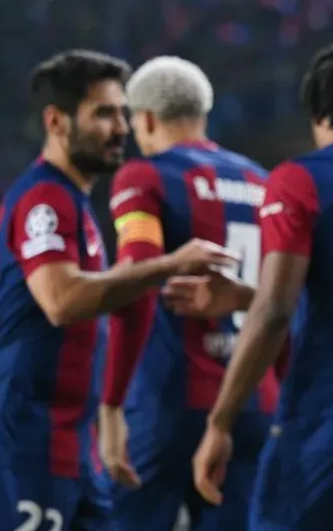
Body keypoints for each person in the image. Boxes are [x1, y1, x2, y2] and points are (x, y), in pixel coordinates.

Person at [0, 50, 233, 530]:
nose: (121, 127)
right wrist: (169, 265)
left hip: (68, 443)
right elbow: (62, 301)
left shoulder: (74, 204)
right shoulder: (45, 197)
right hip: (18, 441)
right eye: (104, 113)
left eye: (122, 112)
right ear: (57, 121)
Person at [175, 46, 333, 531]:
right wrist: (243, 297)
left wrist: (221, 422)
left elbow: (276, 310)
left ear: (315, 111)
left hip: (329, 420)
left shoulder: (300, 180)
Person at [97, 56, 279, 530]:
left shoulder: (143, 176)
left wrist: (112, 403)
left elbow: (134, 286)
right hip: (252, 399)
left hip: (170, 399)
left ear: (147, 119)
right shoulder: (262, 182)